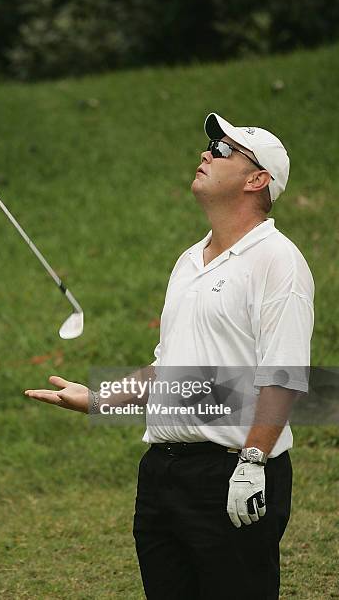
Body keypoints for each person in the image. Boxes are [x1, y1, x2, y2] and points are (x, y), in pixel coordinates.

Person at [24, 113, 314, 600]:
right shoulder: (188, 261)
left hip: (233, 471)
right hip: (162, 473)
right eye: (209, 147)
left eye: (223, 151)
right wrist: (100, 399)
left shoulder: (278, 261)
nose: (206, 154)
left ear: (257, 180)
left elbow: (283, 376)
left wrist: (252, 463)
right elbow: (167, 369)